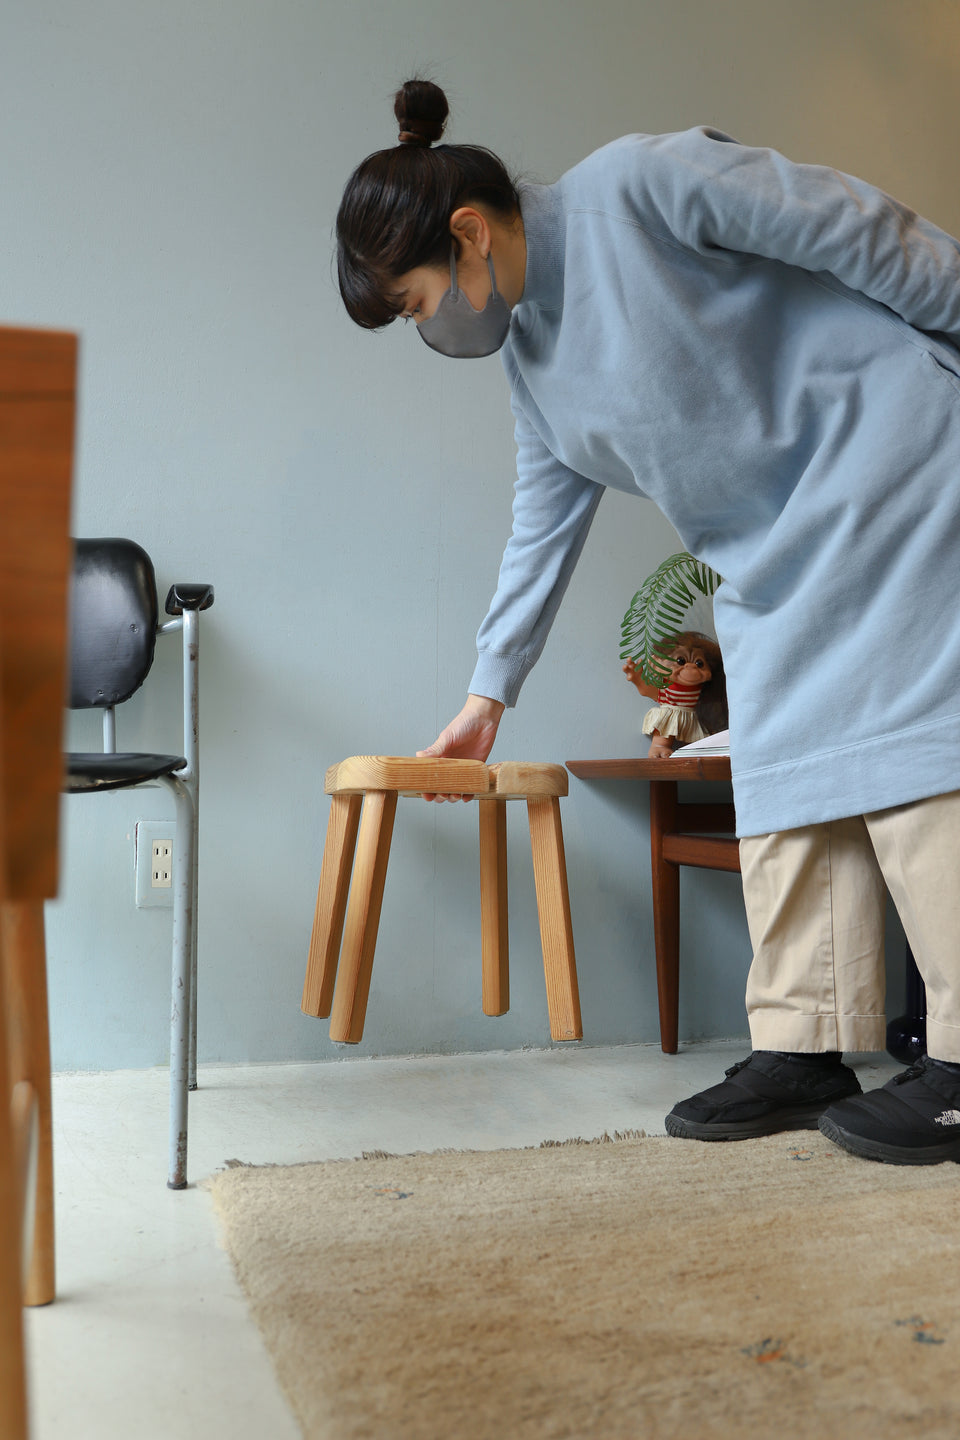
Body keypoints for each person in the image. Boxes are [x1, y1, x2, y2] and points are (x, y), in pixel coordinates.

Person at [336, 78, 960, 1166]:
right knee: (787, 767)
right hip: (772, 553)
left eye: (416, 302)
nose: (427, 327)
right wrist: (488, 694)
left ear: (468, 235)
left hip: (896, 463)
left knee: (919, 757)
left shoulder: (639, 185)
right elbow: (542, 524)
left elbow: (850, 225)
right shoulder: (534, 366)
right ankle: (807, 1043)